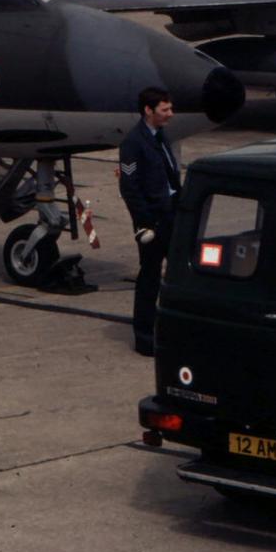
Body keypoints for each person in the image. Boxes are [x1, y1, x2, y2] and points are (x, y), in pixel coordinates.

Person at [118, 86, 180, 357]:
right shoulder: (133, 143)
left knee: (179, 273)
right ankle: (144, 336)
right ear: (148, 110)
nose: (170, 115)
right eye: (165, 110)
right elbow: (129, 188)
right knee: (150, 277)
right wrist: (145, 223)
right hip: (152, 221)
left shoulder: (161, 137)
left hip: (171, 214)